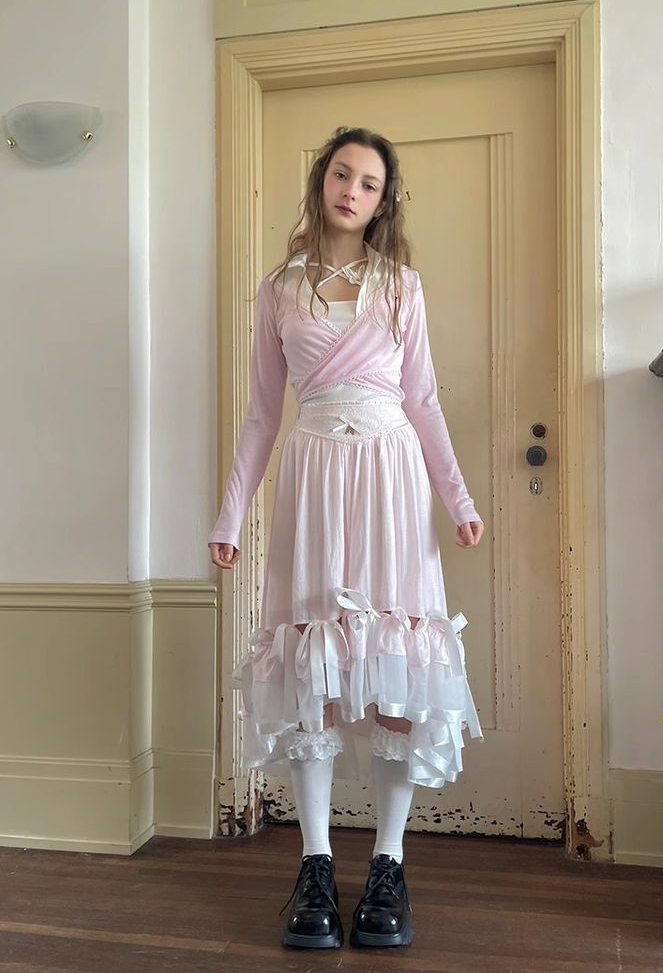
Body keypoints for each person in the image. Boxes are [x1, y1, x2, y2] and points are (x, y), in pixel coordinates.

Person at [208, 125, 484, 950]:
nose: (351, 191)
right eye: (341, 174)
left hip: (393, 477)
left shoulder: (402, 286)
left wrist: (458, 498)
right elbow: (262, 416)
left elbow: (424, 399)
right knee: (315, 670)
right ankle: (317, 864)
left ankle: (390, 863)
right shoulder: (279, 290)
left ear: (382, 200)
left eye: (368, 183)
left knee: (397, 667)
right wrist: (229, 514)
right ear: (321, 181)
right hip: (315, 475)